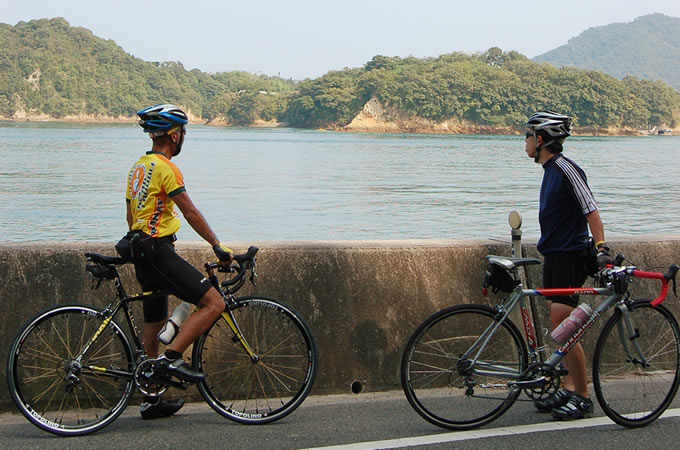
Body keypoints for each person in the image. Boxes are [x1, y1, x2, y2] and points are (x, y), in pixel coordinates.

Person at [124, 104, 234, 420]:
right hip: (159, 252)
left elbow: (131, 216)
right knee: (214, 303)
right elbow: (189, 211)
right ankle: (173, 359)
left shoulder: (138, 167)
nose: (183, 137)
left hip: (141, 253)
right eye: (183, 131)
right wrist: (217, 245)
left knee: (153, 327)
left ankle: (151, 399)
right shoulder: (166, 168)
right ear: (174, 134)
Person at [524, 111, 612, 420]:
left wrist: (601, 248)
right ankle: (568, 386)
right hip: (554, 256)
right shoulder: (549, 170)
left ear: (540, 140)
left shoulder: (565, 169)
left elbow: (592, 211)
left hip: (570, 257)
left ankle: (583, 397)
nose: (524, 141)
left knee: (565, 332)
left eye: (527, 136)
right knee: (558, 328)